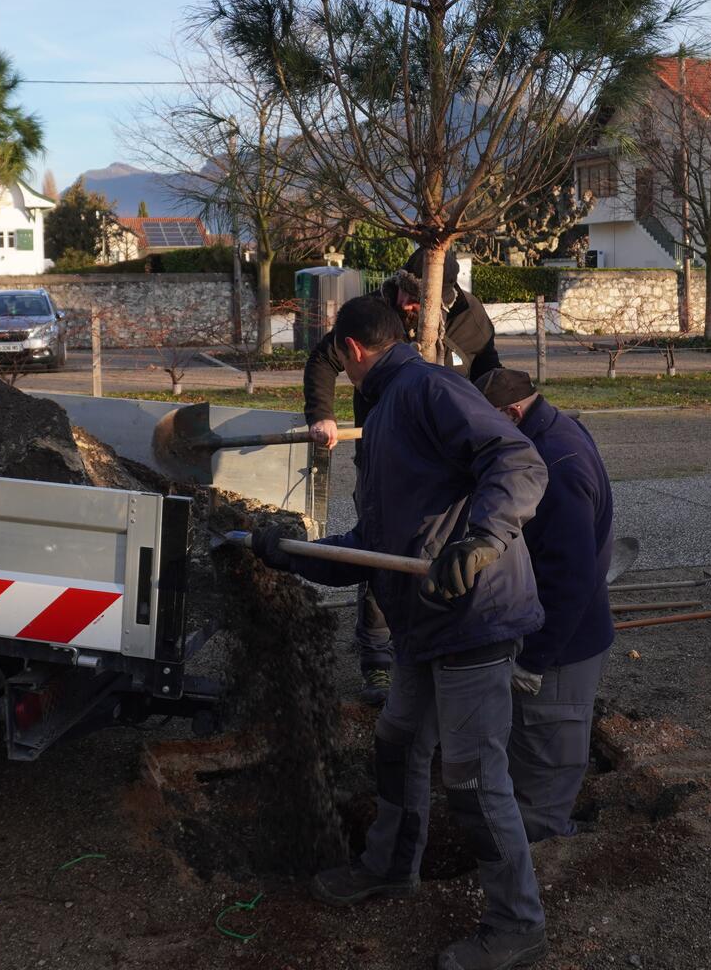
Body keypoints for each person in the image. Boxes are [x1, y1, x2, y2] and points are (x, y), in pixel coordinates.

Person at [254, 294, 552, 970]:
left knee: (472, 779)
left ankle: (518, 925)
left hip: (473, 612)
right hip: (424, 620)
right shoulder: (386, 407)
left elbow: (518, 460)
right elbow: (375, 545)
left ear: (352, 350)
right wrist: (293, 553)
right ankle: (391, 865)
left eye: (338, 359)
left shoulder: (428, 390)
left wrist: (483, 539)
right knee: (397, 743)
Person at [303, 248, 503, 703]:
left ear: (443, 298)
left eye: (420, 299)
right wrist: (322, 415)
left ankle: (440, 640)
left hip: (449, 462)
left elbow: (488, 368)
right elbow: (324, 358)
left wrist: (500, 409)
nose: (409, 305)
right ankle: (377, 659)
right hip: (384, 455)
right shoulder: (374, 315)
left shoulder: (470, 317)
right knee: (380, 550)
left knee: (445, 549)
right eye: (407, 295)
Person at [475, 367, 616, 843]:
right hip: (558, 633)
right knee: (534, 748)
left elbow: (570, 578)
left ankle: (546, 853)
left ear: (513, 413)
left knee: (546, 759)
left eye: (486, 423)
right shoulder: (556, 428)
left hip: (562, 647)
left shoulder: (556, 466)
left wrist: (535, 659)